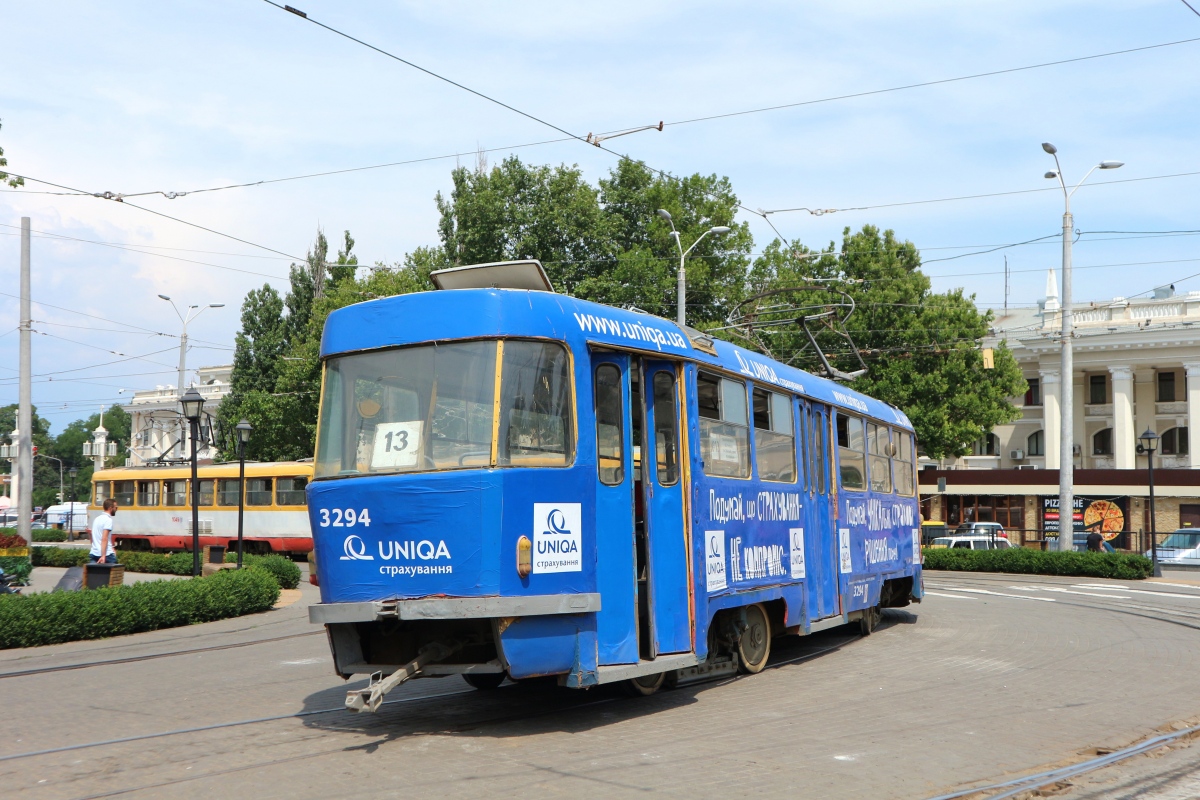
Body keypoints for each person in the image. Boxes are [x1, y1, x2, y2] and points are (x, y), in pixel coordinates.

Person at [90, 498, 118, 564]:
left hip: (94, 553)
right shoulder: (108, 520)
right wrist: (103, 555)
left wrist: (112, 547)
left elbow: (94, 535)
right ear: (110, 508)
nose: (116, 509)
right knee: (115, 570)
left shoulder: (97, 519)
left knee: (93, 570)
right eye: (116, 507)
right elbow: (104, 538)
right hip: (107, 554)